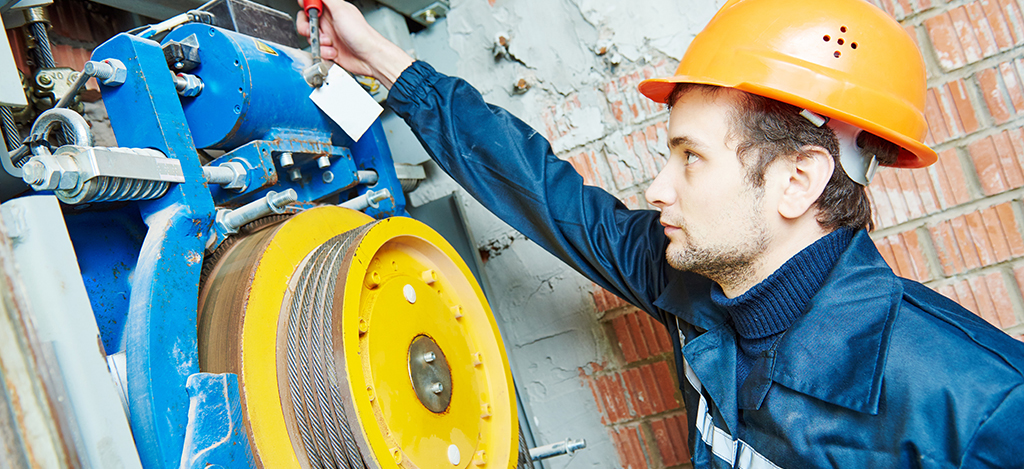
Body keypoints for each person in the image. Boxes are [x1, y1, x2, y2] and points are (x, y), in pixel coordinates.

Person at [298, 0, 1024, 467]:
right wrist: (390, 66)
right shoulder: (701, 281)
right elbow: (550, 198)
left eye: (690, 158)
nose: (657, 187)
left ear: (798, 181)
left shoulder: (977, 403)